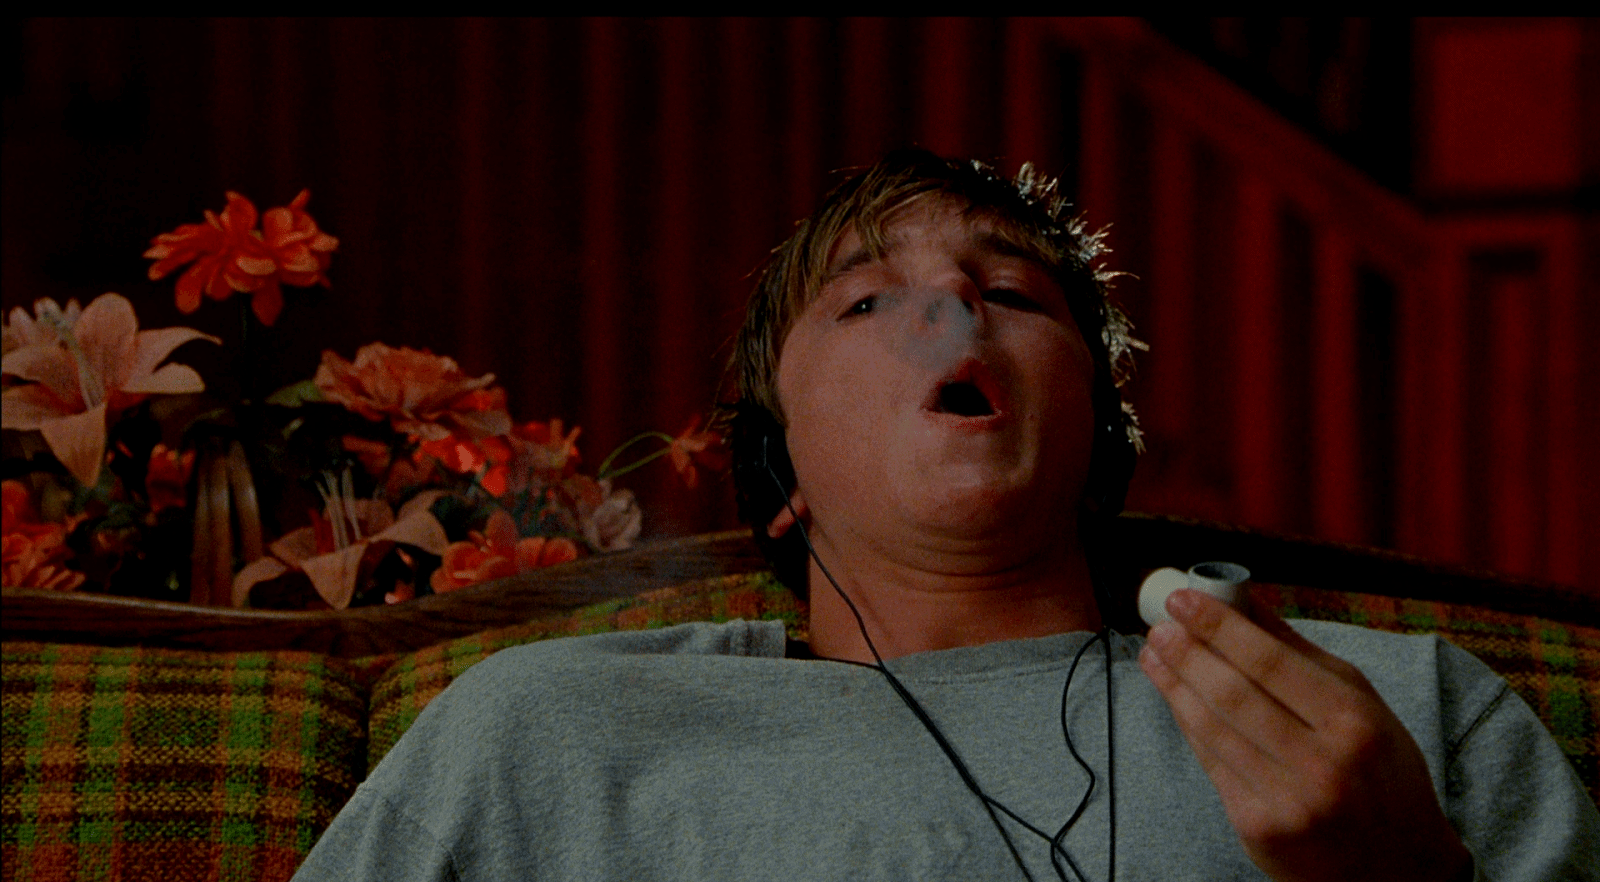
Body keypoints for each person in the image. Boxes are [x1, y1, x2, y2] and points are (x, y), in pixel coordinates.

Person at [292, 150, 1599, 881]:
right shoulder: (544, 735)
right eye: (866, 302)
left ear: (1100, 434)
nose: (950, 308)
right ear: (777, 462)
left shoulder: (1399, 711)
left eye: (1013, 295)